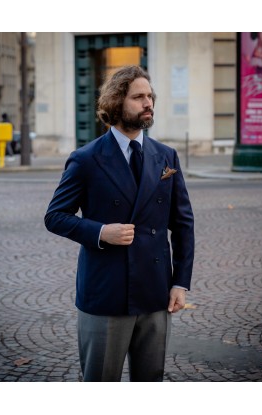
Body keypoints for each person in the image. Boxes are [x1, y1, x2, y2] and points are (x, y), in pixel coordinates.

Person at [44, 65, 195, 382]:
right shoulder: (86, 158)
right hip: (106, 293)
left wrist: (180, 283)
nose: (148, 103)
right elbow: (55, 216)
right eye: (139, 97)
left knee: (149, 381)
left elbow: (182, 224)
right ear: (116, 102)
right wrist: (101, 232)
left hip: (155, 292)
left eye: (150, 96)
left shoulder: (166, 156)